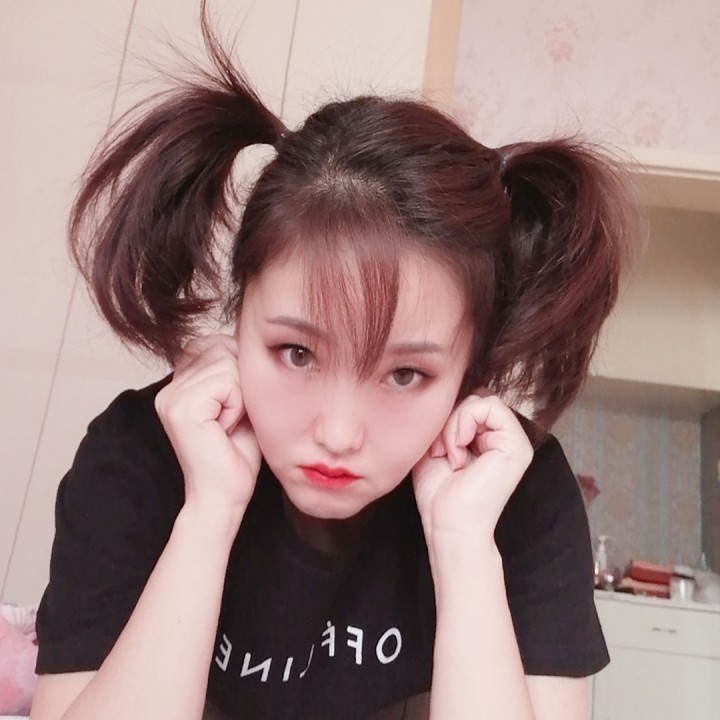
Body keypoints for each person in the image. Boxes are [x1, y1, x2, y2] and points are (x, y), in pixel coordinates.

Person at [29, 5, 634, 720]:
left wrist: (464, 544)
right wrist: (209, 512)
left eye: (406, 374)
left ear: (472, 374)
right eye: (296, 353)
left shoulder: (517, 491)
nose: (339, 433)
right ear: (239, 315)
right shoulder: (138, 453)